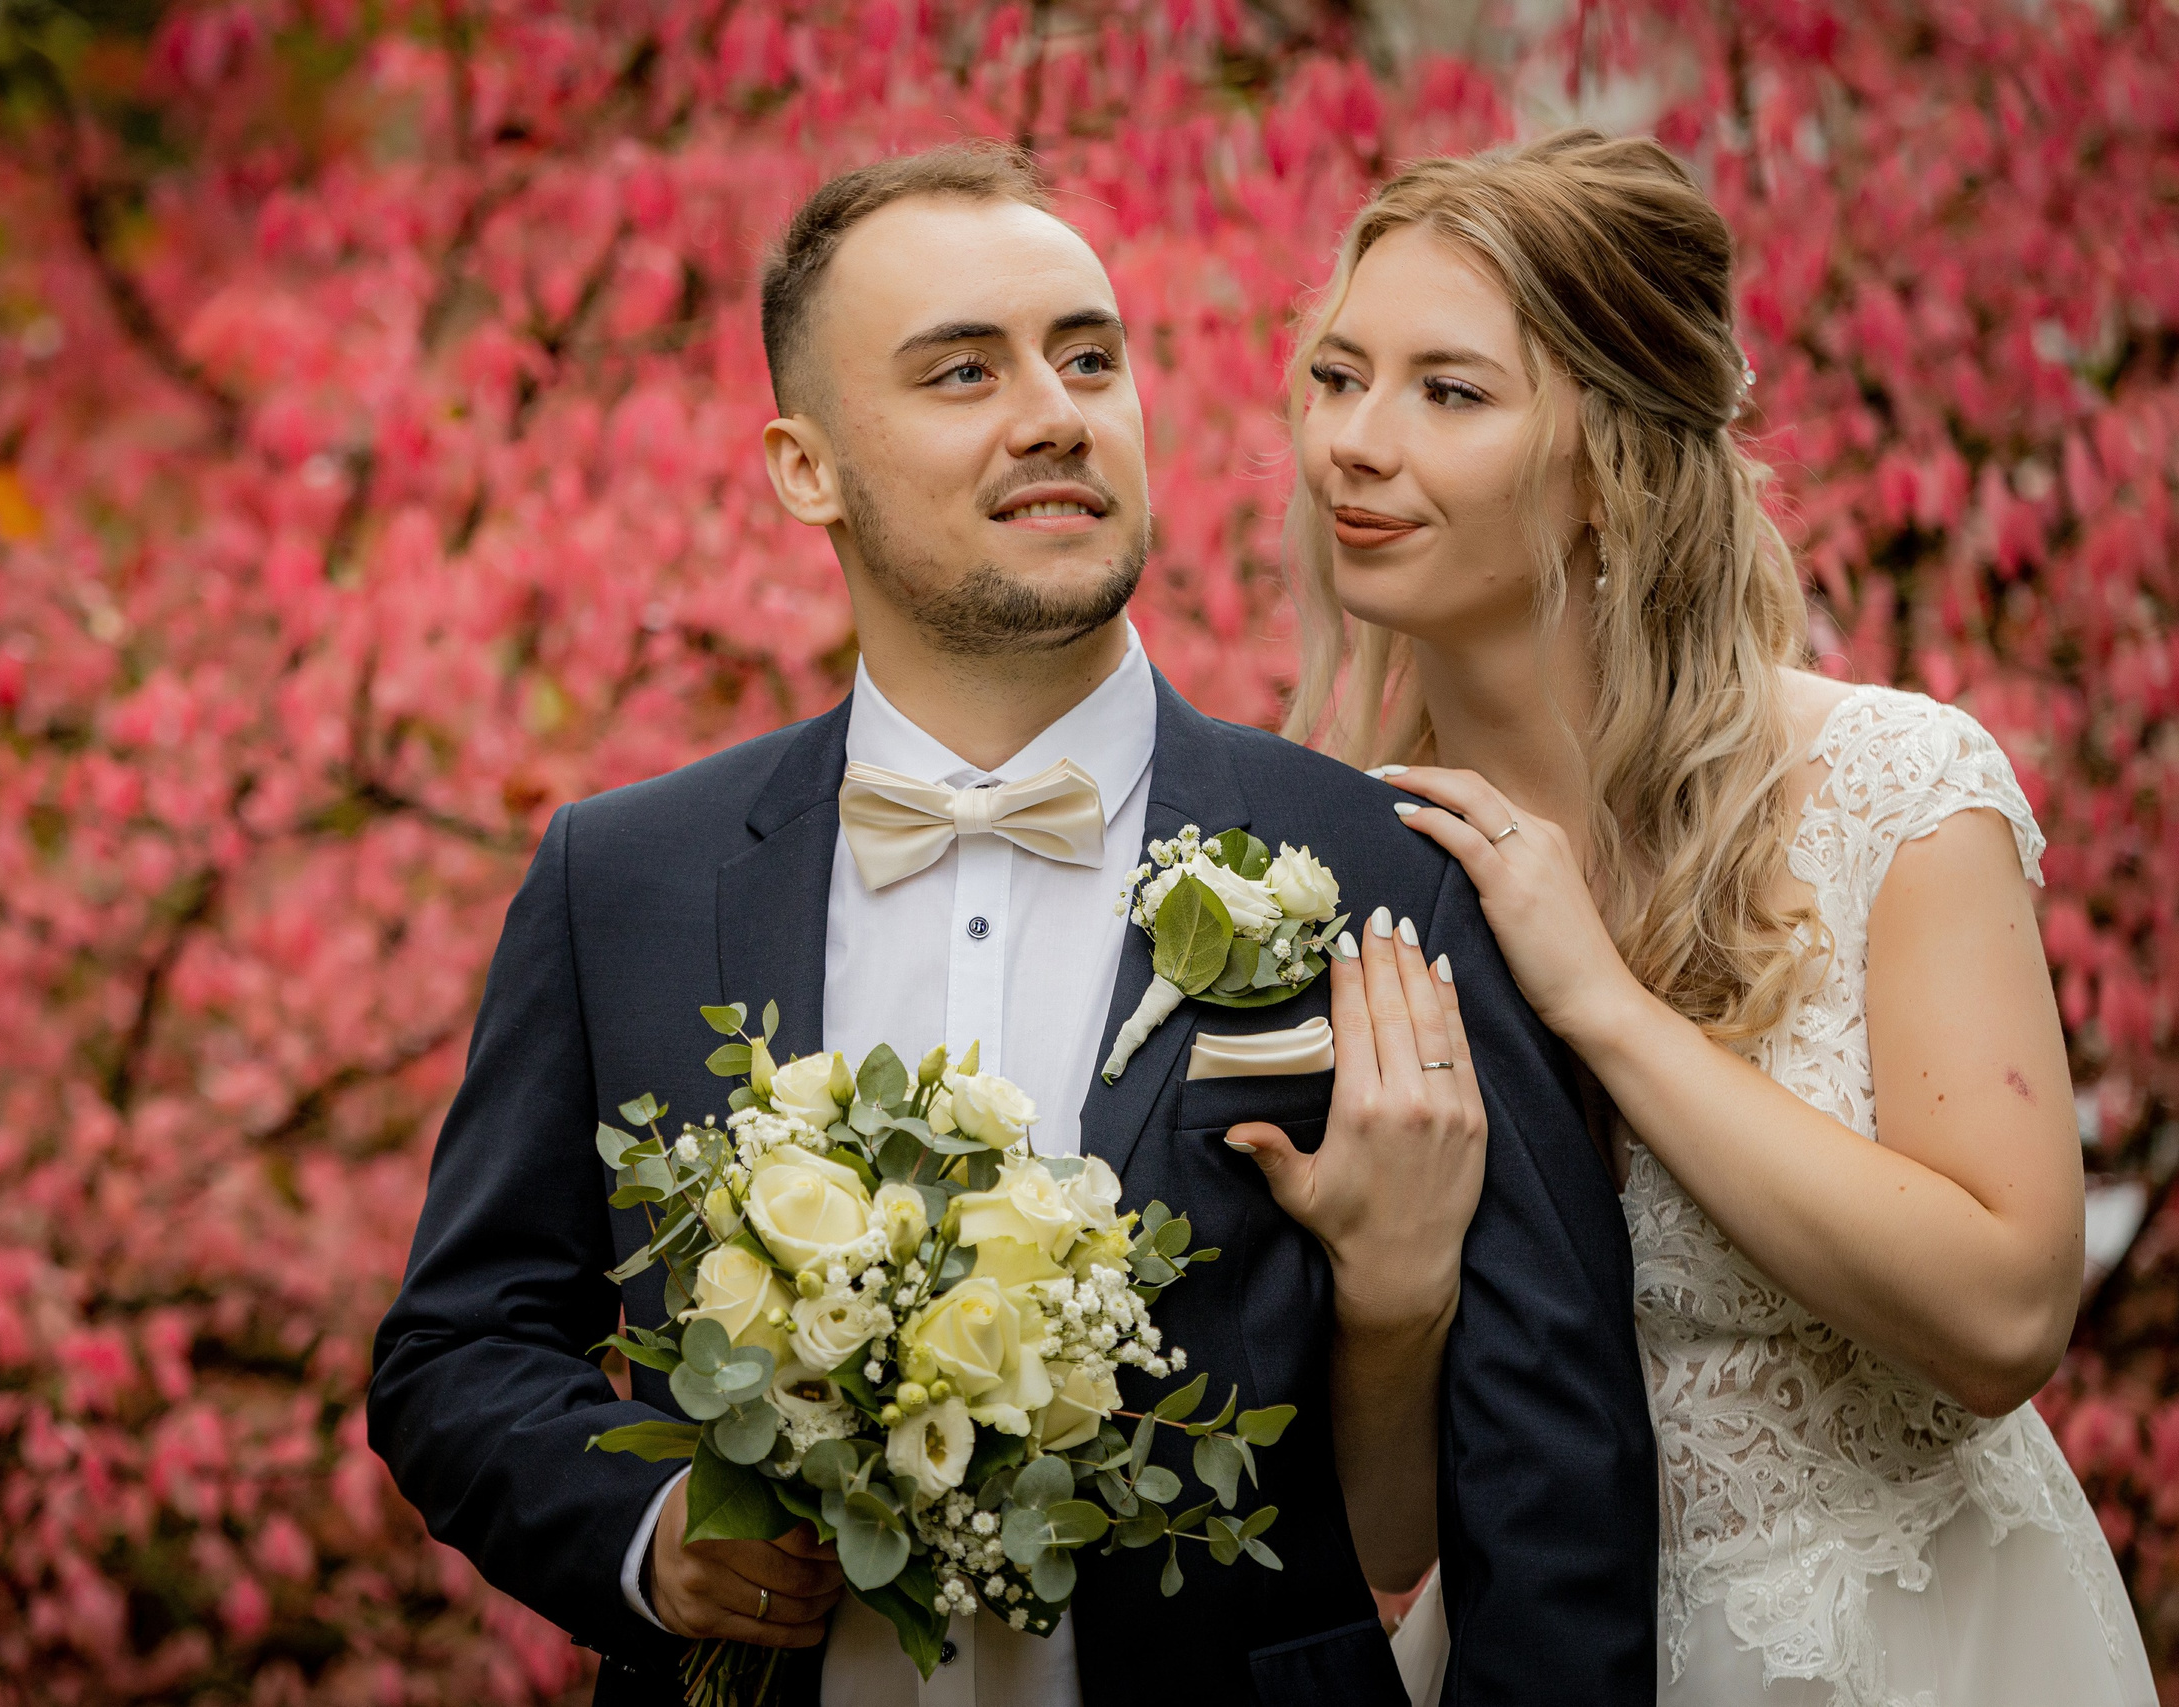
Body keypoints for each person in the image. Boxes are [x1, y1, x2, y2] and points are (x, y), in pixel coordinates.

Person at [370, 141, 1657, 1707]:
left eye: (1089, 358)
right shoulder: (622, 881)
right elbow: (460, 1351)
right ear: (806, 470)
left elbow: (1552, 1472)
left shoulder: (1387, 869)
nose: (1056, 412)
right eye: (963, 371)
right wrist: (648, 1535)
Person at [1248, 127, 2154, 1707]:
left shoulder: (1893, 790)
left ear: (1610, 464)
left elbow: (2008, 1314)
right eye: (1338, 377)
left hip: (1930, 1646)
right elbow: (1385, 1533)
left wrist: (1600, 1003)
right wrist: (1388, 1294)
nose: (1355, 445)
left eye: (1449, 392)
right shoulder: (1340, 879)